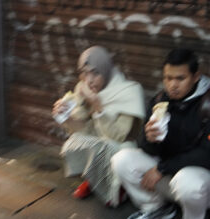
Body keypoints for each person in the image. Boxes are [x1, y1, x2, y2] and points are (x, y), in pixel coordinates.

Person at [110, 48, 210, 219]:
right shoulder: (160, 101)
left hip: (203, 183)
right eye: (168, 78)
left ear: (195, 77)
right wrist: (149, 139)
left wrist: (162, 169)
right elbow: (146, 149)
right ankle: (156, 207)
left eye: (180, 78)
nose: (172, 85)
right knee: (121, 159)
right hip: (169, 174)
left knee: (187, 182)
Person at [53, 46, 146, 207]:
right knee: (74, 141)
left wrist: (98, 107)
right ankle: (94, 180)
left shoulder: (129, 91)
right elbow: (81, 127)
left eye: (95, 73)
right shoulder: (84, 87)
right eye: (84, 73)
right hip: (98, 139)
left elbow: (119, 135)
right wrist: (66, 116)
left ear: (106, 70)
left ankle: (119, 187)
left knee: (105, 147)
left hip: (121, 146)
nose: (89, 80)